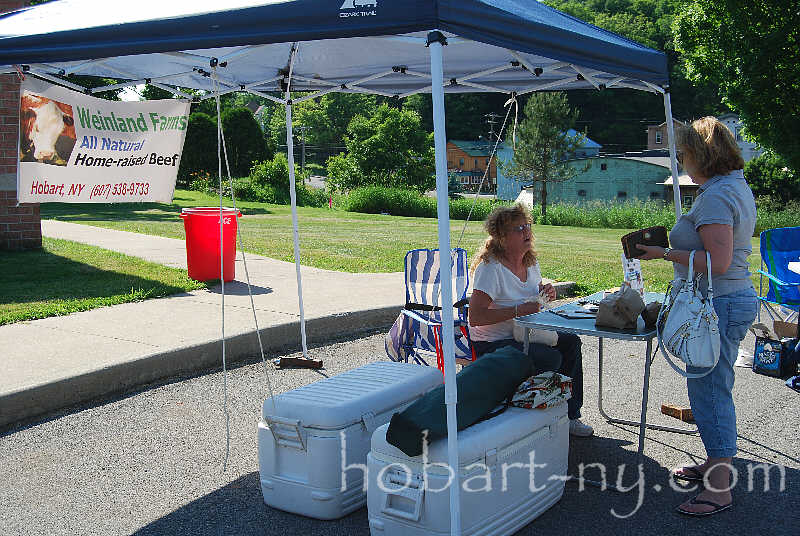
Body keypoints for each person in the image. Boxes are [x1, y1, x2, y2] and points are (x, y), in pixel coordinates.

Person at [638, 116, 758, 517]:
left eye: (684, 153)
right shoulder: (731, 186)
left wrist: (663, 253)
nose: (681, 159)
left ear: (701, 154)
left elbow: (718, 262)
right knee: (713, 387)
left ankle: (719, 488)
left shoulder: (716, 197)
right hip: (726, 301)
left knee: (709, 392)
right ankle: (714, 462)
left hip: (717, 304)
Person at [468, 203, 593, 437]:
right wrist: (518, 310)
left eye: (527, 226)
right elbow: (475, 317)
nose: (527, 232)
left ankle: (569, 416)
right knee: (549, 357)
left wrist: (546, 291)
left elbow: (533, 295)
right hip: (493, 341)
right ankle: (534, 422)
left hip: (528, 333)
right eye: (518, 229)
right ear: (502, 238)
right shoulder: (491, 268)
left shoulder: (530, 261)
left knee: (571, 342)